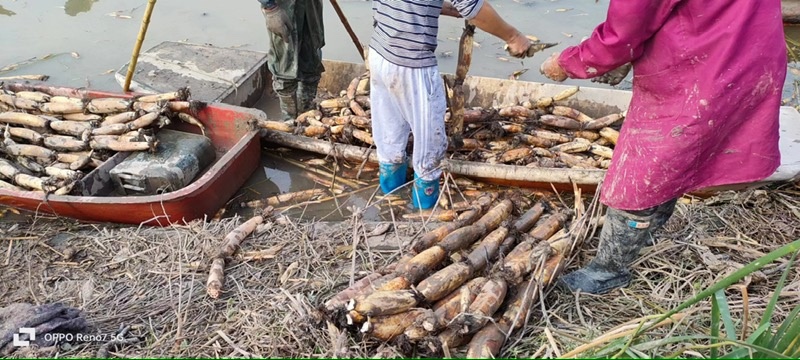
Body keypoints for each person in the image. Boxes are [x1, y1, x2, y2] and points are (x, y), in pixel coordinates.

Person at [539, 0, 787, 294]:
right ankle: (649, 234)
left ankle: (608, 270)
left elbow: (623, 32)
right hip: (749, 50)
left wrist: (568, 62)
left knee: (642, 173)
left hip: (705, 67)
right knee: (675, 158)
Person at [370, 0, 535, 209]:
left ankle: (388, 202)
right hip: (412, 64)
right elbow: (473, 8)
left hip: (379, 53)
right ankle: (422, 213)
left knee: (389, 137)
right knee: (430, 147)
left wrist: (449, 9)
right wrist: (514, 37)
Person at [258, 0, 325, 120]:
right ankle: (288, 118)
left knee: (312, 57)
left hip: (311, 6)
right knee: (284, 63)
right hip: (283, 7)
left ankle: (306, 114)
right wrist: (270, 8)